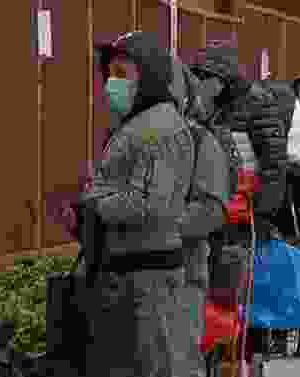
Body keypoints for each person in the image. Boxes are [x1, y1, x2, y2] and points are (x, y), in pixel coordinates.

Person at [83, 31, 205, 377]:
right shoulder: (136, 125)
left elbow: (152, 205)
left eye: (124, 74)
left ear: (149, 75)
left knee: (156, 367)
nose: (112, 83)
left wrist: (94, 202)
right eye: (111, 73)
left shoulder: (161, 128)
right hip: (129, 274)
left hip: (149, 280)